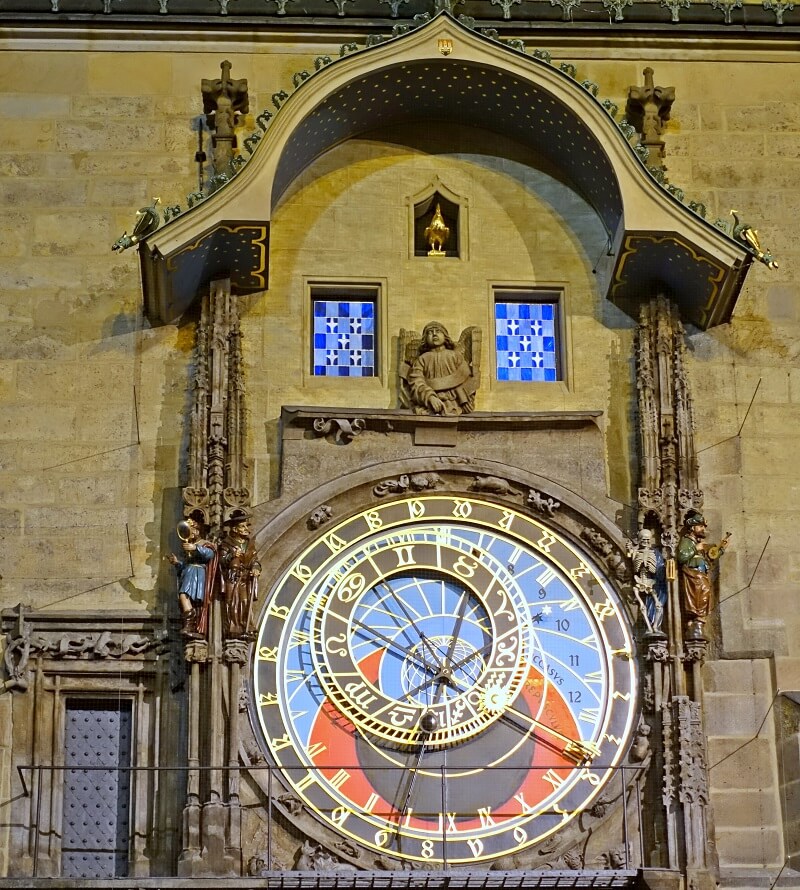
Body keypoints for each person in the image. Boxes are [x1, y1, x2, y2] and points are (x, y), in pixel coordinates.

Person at [677, 512, 730, 640]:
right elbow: (681, 556)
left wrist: (721, 549)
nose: (703, 529)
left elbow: (709, 557)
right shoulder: (687, 541)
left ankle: (697, 623)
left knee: (705, 596)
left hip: (701, 575)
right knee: (701, 595)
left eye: (703, 527)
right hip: (693, 576)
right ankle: (695, 623)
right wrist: (696, 548)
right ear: (693, 528)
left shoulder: (697, 543)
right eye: (700, 526)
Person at [407, 321, 476, 416]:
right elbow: (416, 383)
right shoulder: (422, 359)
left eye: (438, 331)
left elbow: (465, 378)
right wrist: (430, 397)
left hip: (454, 404)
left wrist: (465, 400)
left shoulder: (455, 356)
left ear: (445, 336)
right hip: (430, 404)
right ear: (425, 338)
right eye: (430, 332)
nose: (434, 334)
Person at [168, 518, 216, 638]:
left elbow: (210, 554)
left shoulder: (204, 544)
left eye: (192, 530)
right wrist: (177, 563)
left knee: (185, 596)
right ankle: (190, 623)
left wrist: (195, 548)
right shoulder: (188, 545)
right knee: (184, 597)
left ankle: (192, 624)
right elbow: (185, 565)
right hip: (188, 572)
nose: (190, 533)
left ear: (197, 531)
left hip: (198, 573)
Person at [218, 518, 261, 639]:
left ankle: (246, 626)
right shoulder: (227, 543)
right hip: (232, 577)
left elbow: (255, 560)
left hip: (246, 578)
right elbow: (221, 560)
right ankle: (234, 627)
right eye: (243, 527)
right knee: (232, 602)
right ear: (235, 529)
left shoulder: (249, 545)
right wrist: (232, 556)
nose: (246, 529)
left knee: (245, 601)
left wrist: (256, 568)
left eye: (247, 526)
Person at [630, 528, 667, 636]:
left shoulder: (656, 554)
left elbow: (659, 570)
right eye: (643, 540)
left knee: (658, 604)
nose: (646, 542)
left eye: (647, 540)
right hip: (640, 581)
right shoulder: (636, 552)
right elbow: (634, 567)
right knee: (644, 605)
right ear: (639, 540)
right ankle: (649, 626)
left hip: (653, 582)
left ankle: (655, 626)